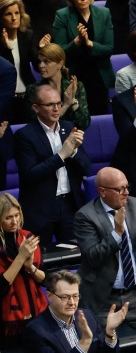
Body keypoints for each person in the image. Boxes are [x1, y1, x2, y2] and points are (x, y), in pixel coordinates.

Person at [75, 166, 136, 321]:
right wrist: (117, 233)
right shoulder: (86, 216)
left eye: (127, 187)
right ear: (102, 191)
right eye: (120, 189)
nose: (126, 192)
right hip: (103, 299)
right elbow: (92, 257)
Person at [14, 83, 91, 246]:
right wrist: (62, 155)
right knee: (42, 260)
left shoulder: (68, 128)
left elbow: (86, 167)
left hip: (70, 205)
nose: (56, 109)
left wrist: (75, 152)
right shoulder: (25, 136)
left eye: (58, 103)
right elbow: (30, 175)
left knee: (76, 255)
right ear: (36, 108)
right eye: (50, 105)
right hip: (40, 209)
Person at [50, 0, 112, 115]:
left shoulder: (104, 13)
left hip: (99, 76)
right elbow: (59, 53)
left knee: (99, 114)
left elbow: (108, 49)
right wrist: (77, 42)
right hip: (74, 75)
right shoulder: (62, 16)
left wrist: (90, 44)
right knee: (78, 120)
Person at [0, 194, 47, 345]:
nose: (15, 222)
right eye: (8, 218)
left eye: (17, 215)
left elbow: (45, 280)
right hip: (7, 322)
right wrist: (21, 258)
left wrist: (29, 267)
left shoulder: (28, 237)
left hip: (36, 310)